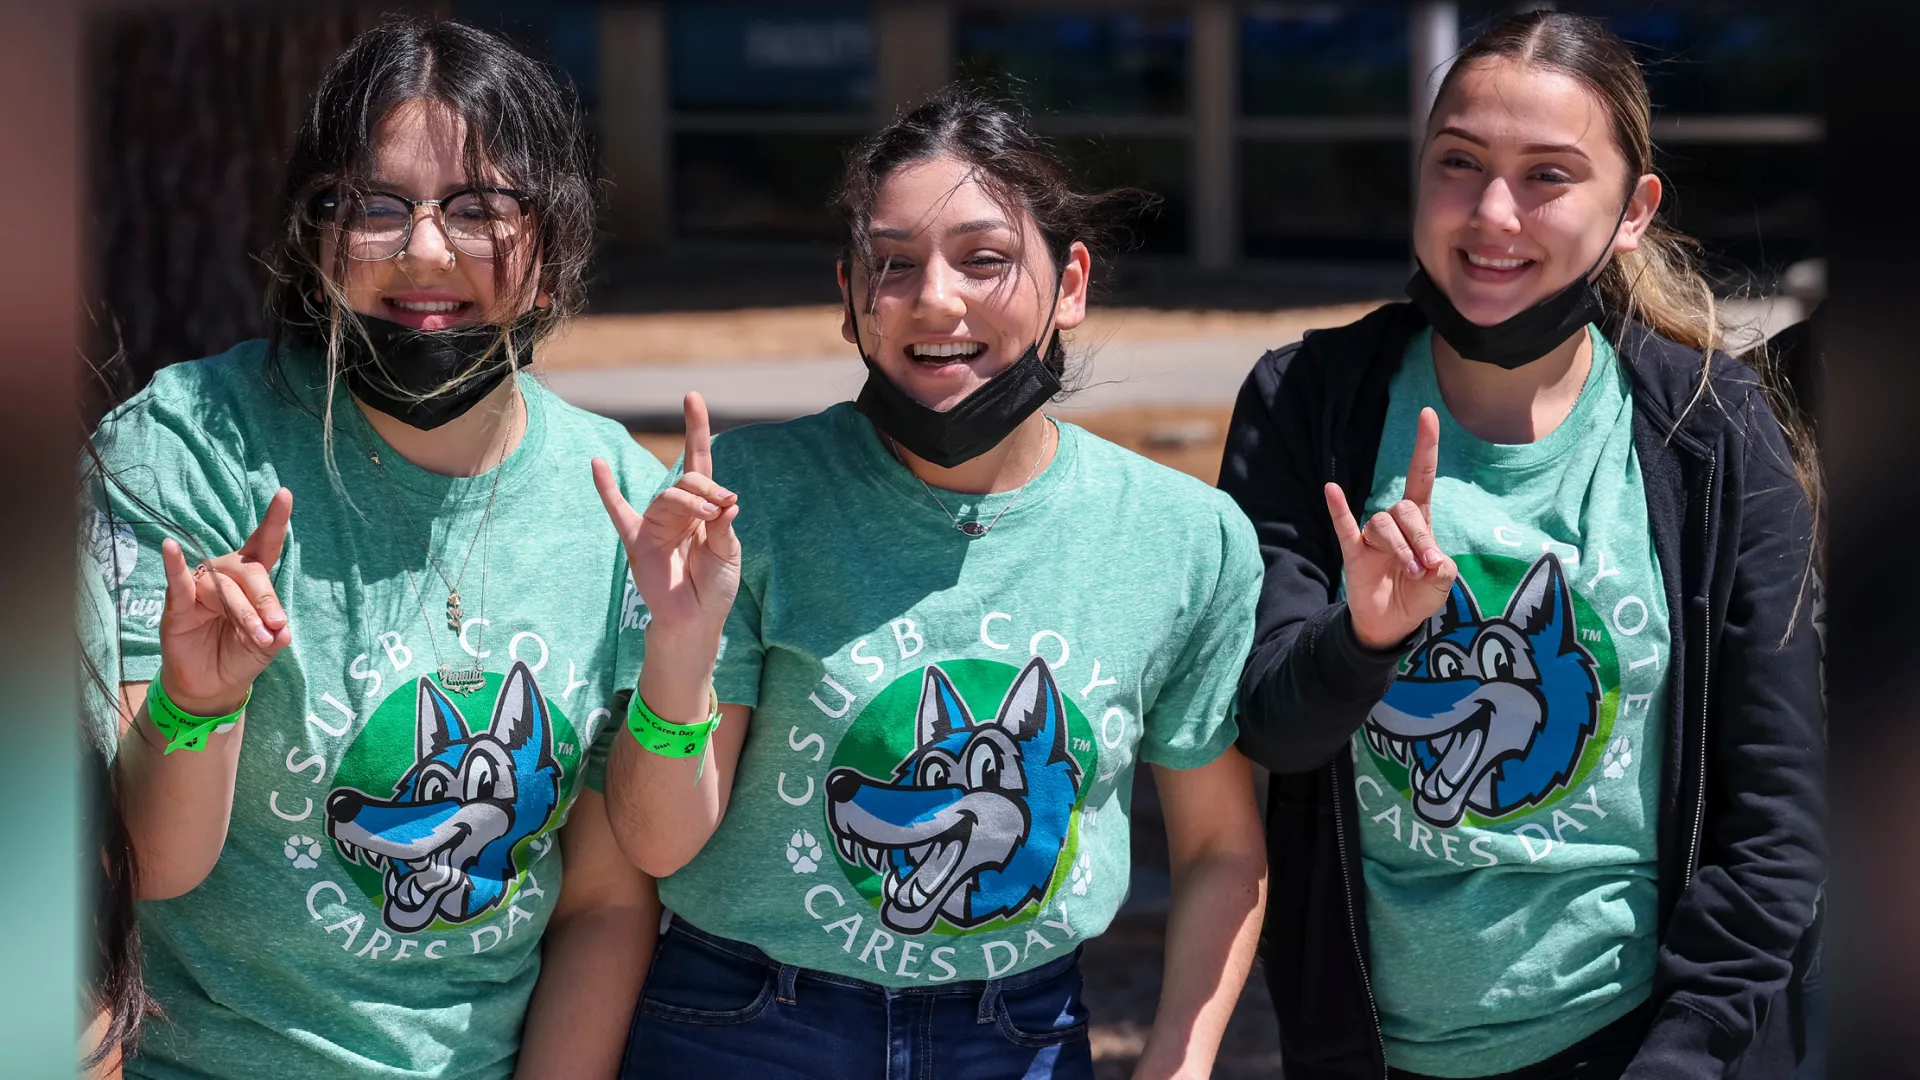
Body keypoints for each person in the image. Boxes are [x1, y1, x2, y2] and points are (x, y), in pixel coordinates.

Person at [592, 88, 1269, 1080]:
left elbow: (1219, 849)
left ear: (1070, 282)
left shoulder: (1185, 537)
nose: (936, 298)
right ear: (850, 297)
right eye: (893, 264)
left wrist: (1180, 1057)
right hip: (743, 1029)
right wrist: (679, 649)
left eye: (984, 258)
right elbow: (656, 845)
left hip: (1025, 1038)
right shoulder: (741, 503)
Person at [1219, 12, 1822, 1080]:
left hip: (1644, 1046)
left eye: (1549, 175)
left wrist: (1683, 1058)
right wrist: (1360, 640)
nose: (1493, 213)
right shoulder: (1306, 400)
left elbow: (1775, 824)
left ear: (1632, 211)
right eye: (1460, 164)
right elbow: (1271, 726)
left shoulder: (1716, 433)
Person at [86, 18, 663, 1078]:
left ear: (553, 252)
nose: (426, 250)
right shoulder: (187, 450)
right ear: (314, 243)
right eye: (377, 207)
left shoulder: (622, 500)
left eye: (481, 209)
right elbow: (146, 870)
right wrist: (198, 701)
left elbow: (604, 899)